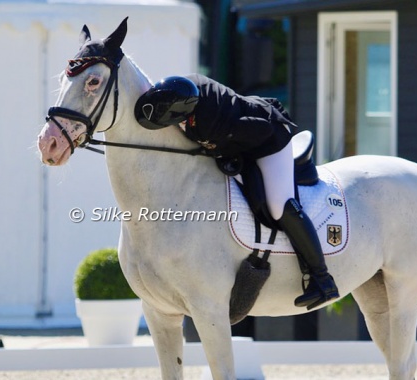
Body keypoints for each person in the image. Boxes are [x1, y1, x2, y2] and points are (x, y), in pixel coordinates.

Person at [134, 74, 339, 310]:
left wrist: (220, 148)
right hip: (239, 127)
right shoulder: (181, 86)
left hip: (269, 138)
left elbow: (260, 132)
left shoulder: (211, 125)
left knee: (277, 205)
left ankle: (322, 279)